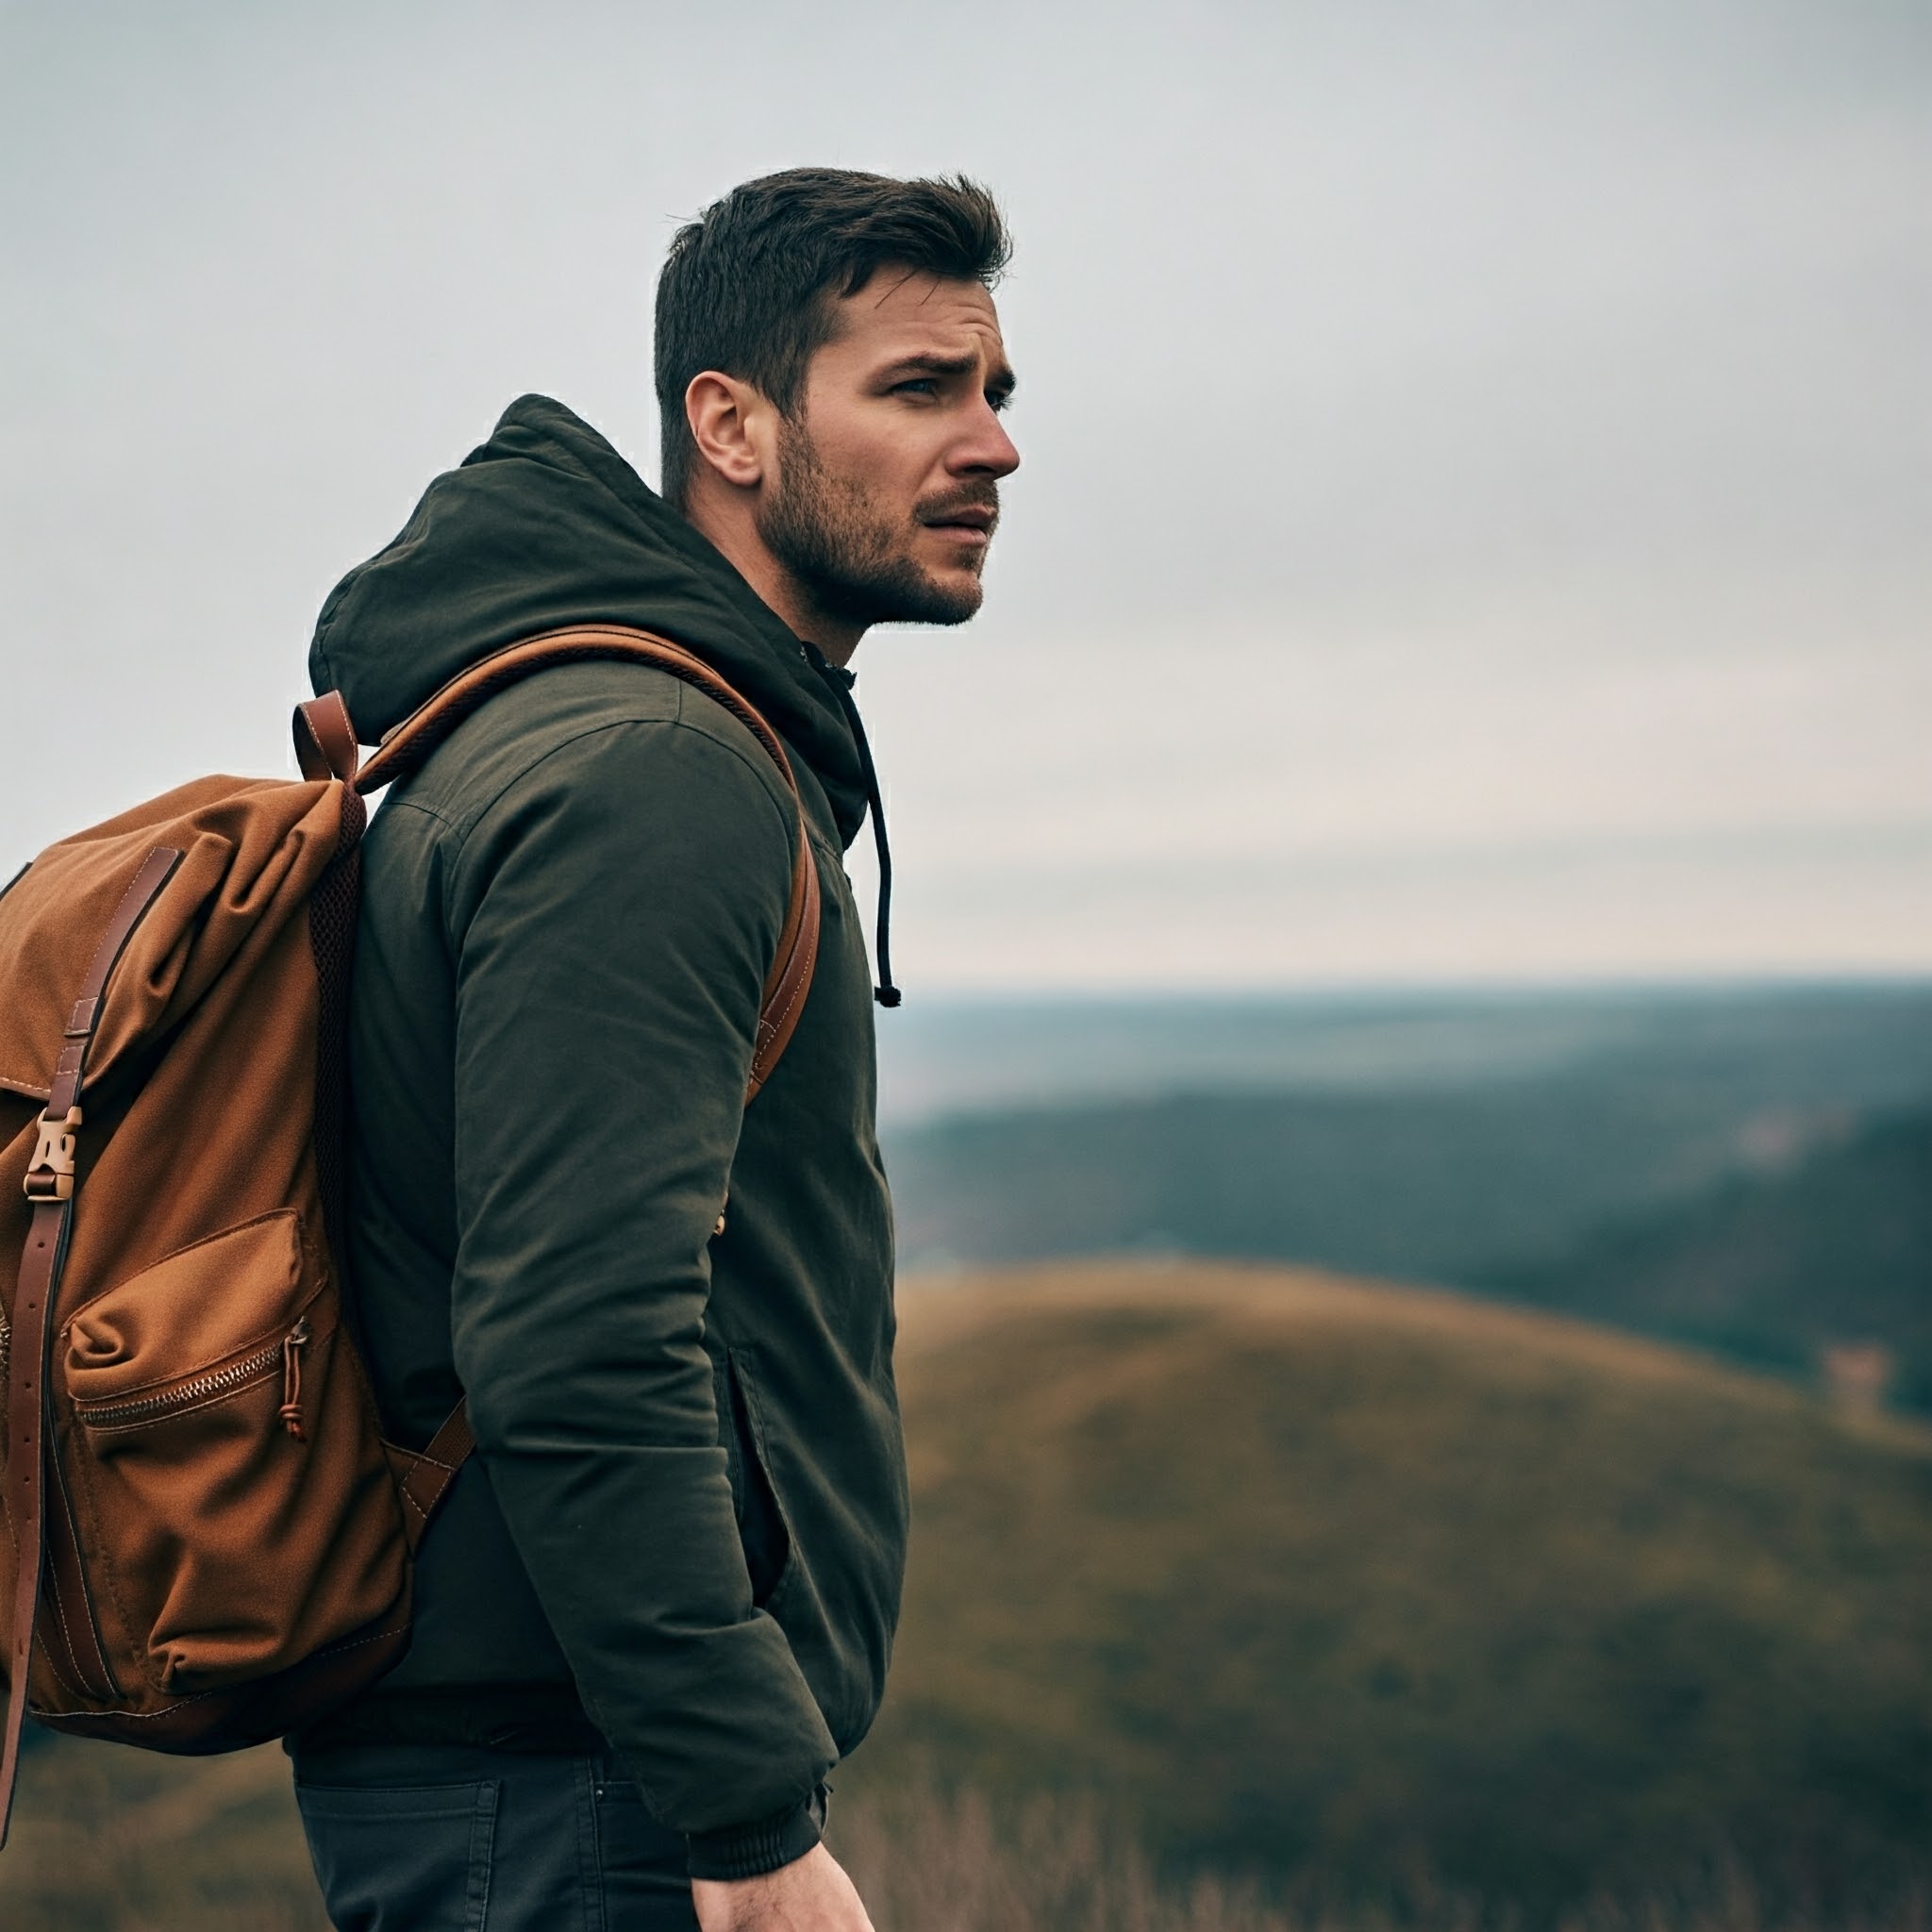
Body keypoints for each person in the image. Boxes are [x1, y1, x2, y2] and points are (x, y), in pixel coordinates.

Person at [286, 168, 1020, 1932]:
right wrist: (748, 1822)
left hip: (535, 1770)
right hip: (571, 1797)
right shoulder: (655, 776)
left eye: (998, 395)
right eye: (920, 390)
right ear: (733, 426)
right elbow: (575, 1337)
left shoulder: (601, 730)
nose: (991, 446)